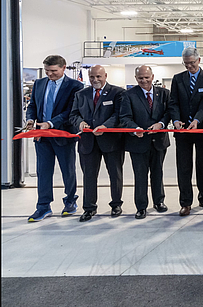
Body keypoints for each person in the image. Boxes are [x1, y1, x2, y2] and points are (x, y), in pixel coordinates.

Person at [24, 55, 85, 222]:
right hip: (42, 137)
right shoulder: (39, 83)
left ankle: (70, 200)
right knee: (43, 172)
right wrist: (30, 119)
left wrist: (50, 123)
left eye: (53, 71)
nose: (50, 74)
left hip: (63, 136)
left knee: (68, 170)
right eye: (47, 71)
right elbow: (33, 106)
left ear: (64, 68)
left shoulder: (75, 86)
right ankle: (43, 206)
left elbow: (71, 111)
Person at [69, 65, 126, 221]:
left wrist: (106, 126)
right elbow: (73, 115)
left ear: (105, 75)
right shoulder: (81, 94)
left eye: (98, 77)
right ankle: (89, 207)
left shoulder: (118, 93)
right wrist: (79, 123)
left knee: (115, 174)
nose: (95, 80)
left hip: (111, 141)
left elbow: (119, 114)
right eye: (92, 77)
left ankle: (116, 204)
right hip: (88, 143)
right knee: (89, 176)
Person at [120, 65, 173, 219]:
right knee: (140, 175)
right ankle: (141, 206)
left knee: (158, 173)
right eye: (140, 78)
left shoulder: (164, 93)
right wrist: (134, 128)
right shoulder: (128, 95)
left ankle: (159, 201)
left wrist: (161, 124)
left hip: (159, 141)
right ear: (136, 78)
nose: (144, 80)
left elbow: (169, 112)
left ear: (152, 76)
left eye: (146, 77)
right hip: (137, 142)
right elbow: (124, 118)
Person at [170, 47, 203, 216]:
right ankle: (185, 202)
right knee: (183, 166)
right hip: (182, 131)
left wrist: (197, 120)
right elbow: (173, 102)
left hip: (202, 129)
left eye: (191, 63)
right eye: (186, 64)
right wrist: (175, 121)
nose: (189, 67)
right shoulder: (177, 79)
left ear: (199, 60)